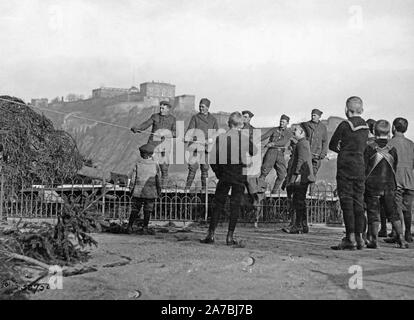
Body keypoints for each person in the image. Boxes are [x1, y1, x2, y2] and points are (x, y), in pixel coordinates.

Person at [200, 112, 256, 245]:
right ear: (241, 125)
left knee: (218, 205)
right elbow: (254, 151)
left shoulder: (222, 138)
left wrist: (219, 173)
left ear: (228, 124)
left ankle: (211, 235)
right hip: (239, 175)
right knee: (235, 206)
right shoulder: (244, 137)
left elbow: (213, 160)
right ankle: (229, 237)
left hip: (225, 174)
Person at [329, 96, 369, 250]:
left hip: (345, 166)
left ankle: (350, 238)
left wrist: (344, 150)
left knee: (347, 202)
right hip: (360, 166)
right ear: (362, 110)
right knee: (359, 202)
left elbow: (333, 145)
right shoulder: (366, 128)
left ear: (346, 110)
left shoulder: (345, 125)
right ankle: (360, 239)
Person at [364, 120, 408, 249]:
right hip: (389, 185)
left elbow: (365, 168)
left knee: (373, 212)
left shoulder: (369, 148)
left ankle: (373, 239)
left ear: (374, 131)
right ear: (389, 132)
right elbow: (394, 166)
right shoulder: (392, 149)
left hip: (372, 185)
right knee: (393, 212)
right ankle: (401, 238)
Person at [130, 101, 176, 187]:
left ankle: (163, 189)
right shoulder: (155, 116)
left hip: (165, 146)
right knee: (149, 166)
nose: (161, 110)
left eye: (163, 108)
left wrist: (166, 133)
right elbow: (145, 125)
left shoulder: (173, 119)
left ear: (168, 109)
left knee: (164, 168)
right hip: (152, 145)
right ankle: (147, 185)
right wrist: (137, 128)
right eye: (160, 108)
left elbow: (176, 133)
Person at [282, 124, 315, 234]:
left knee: (298, 202)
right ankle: (303, 226)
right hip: (302, 177)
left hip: (300, 178)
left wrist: (296, 175)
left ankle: (298, 226)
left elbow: (301, 160)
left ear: (302, 132)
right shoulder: (302, 143)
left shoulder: (302, 143)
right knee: (300, 202)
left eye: (296, 130)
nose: (293, 132)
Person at [387, 117, 414, 243]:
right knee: (407, 209)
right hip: (410, 180)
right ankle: (408, 233)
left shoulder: (390, 144)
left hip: (395, 180)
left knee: (397, 209)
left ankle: (399, 235)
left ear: (393, 127)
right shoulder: (411, 144)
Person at [127, 143, 161, 235]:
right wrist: (159, 190)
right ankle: (145, 227)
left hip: (138, 191)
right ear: (151, 154)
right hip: (151, 192)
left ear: (142, 154)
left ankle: (129, 226)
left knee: (135, 209)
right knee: (148, 210)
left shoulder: (138, 164)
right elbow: (158, 179)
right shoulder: (155, 165)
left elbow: (133, 179)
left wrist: (131, 189)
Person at [185, 98, 219, 190]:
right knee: (192, 169)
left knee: (205, 169)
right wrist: (187, 137)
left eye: (202, 107)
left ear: (208, 108)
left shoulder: (213, 120)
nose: (200, 108)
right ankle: (187, 189)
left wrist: (211, 140)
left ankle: (204, 190)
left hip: (206, 148)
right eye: (200, 106)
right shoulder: (195, 118)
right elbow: (190, 130)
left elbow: (216, 133)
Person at [260, 114, 293, 194]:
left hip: (280, 154)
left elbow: (283, 141)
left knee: (282, 174)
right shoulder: (274, 130)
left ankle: (274, 193)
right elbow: (265, 136)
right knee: (264, 172)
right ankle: (259, 191)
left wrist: (272, 143)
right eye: (281, 121)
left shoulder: (288, 133)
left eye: (284, 122)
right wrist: (255, 139)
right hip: (271, 153)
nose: (281, 123)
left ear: (287, 123)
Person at [302, 109, 328, 177]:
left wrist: (323, 153)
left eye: (315, 115)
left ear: (319, 117)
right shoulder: (306, 125)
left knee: (313, 174)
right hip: (307, 153)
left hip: (317, 154)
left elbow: (325, 141)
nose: (313, 117)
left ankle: (311, 188)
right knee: (304, 173)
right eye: (312, 115)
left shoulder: (323, 127)